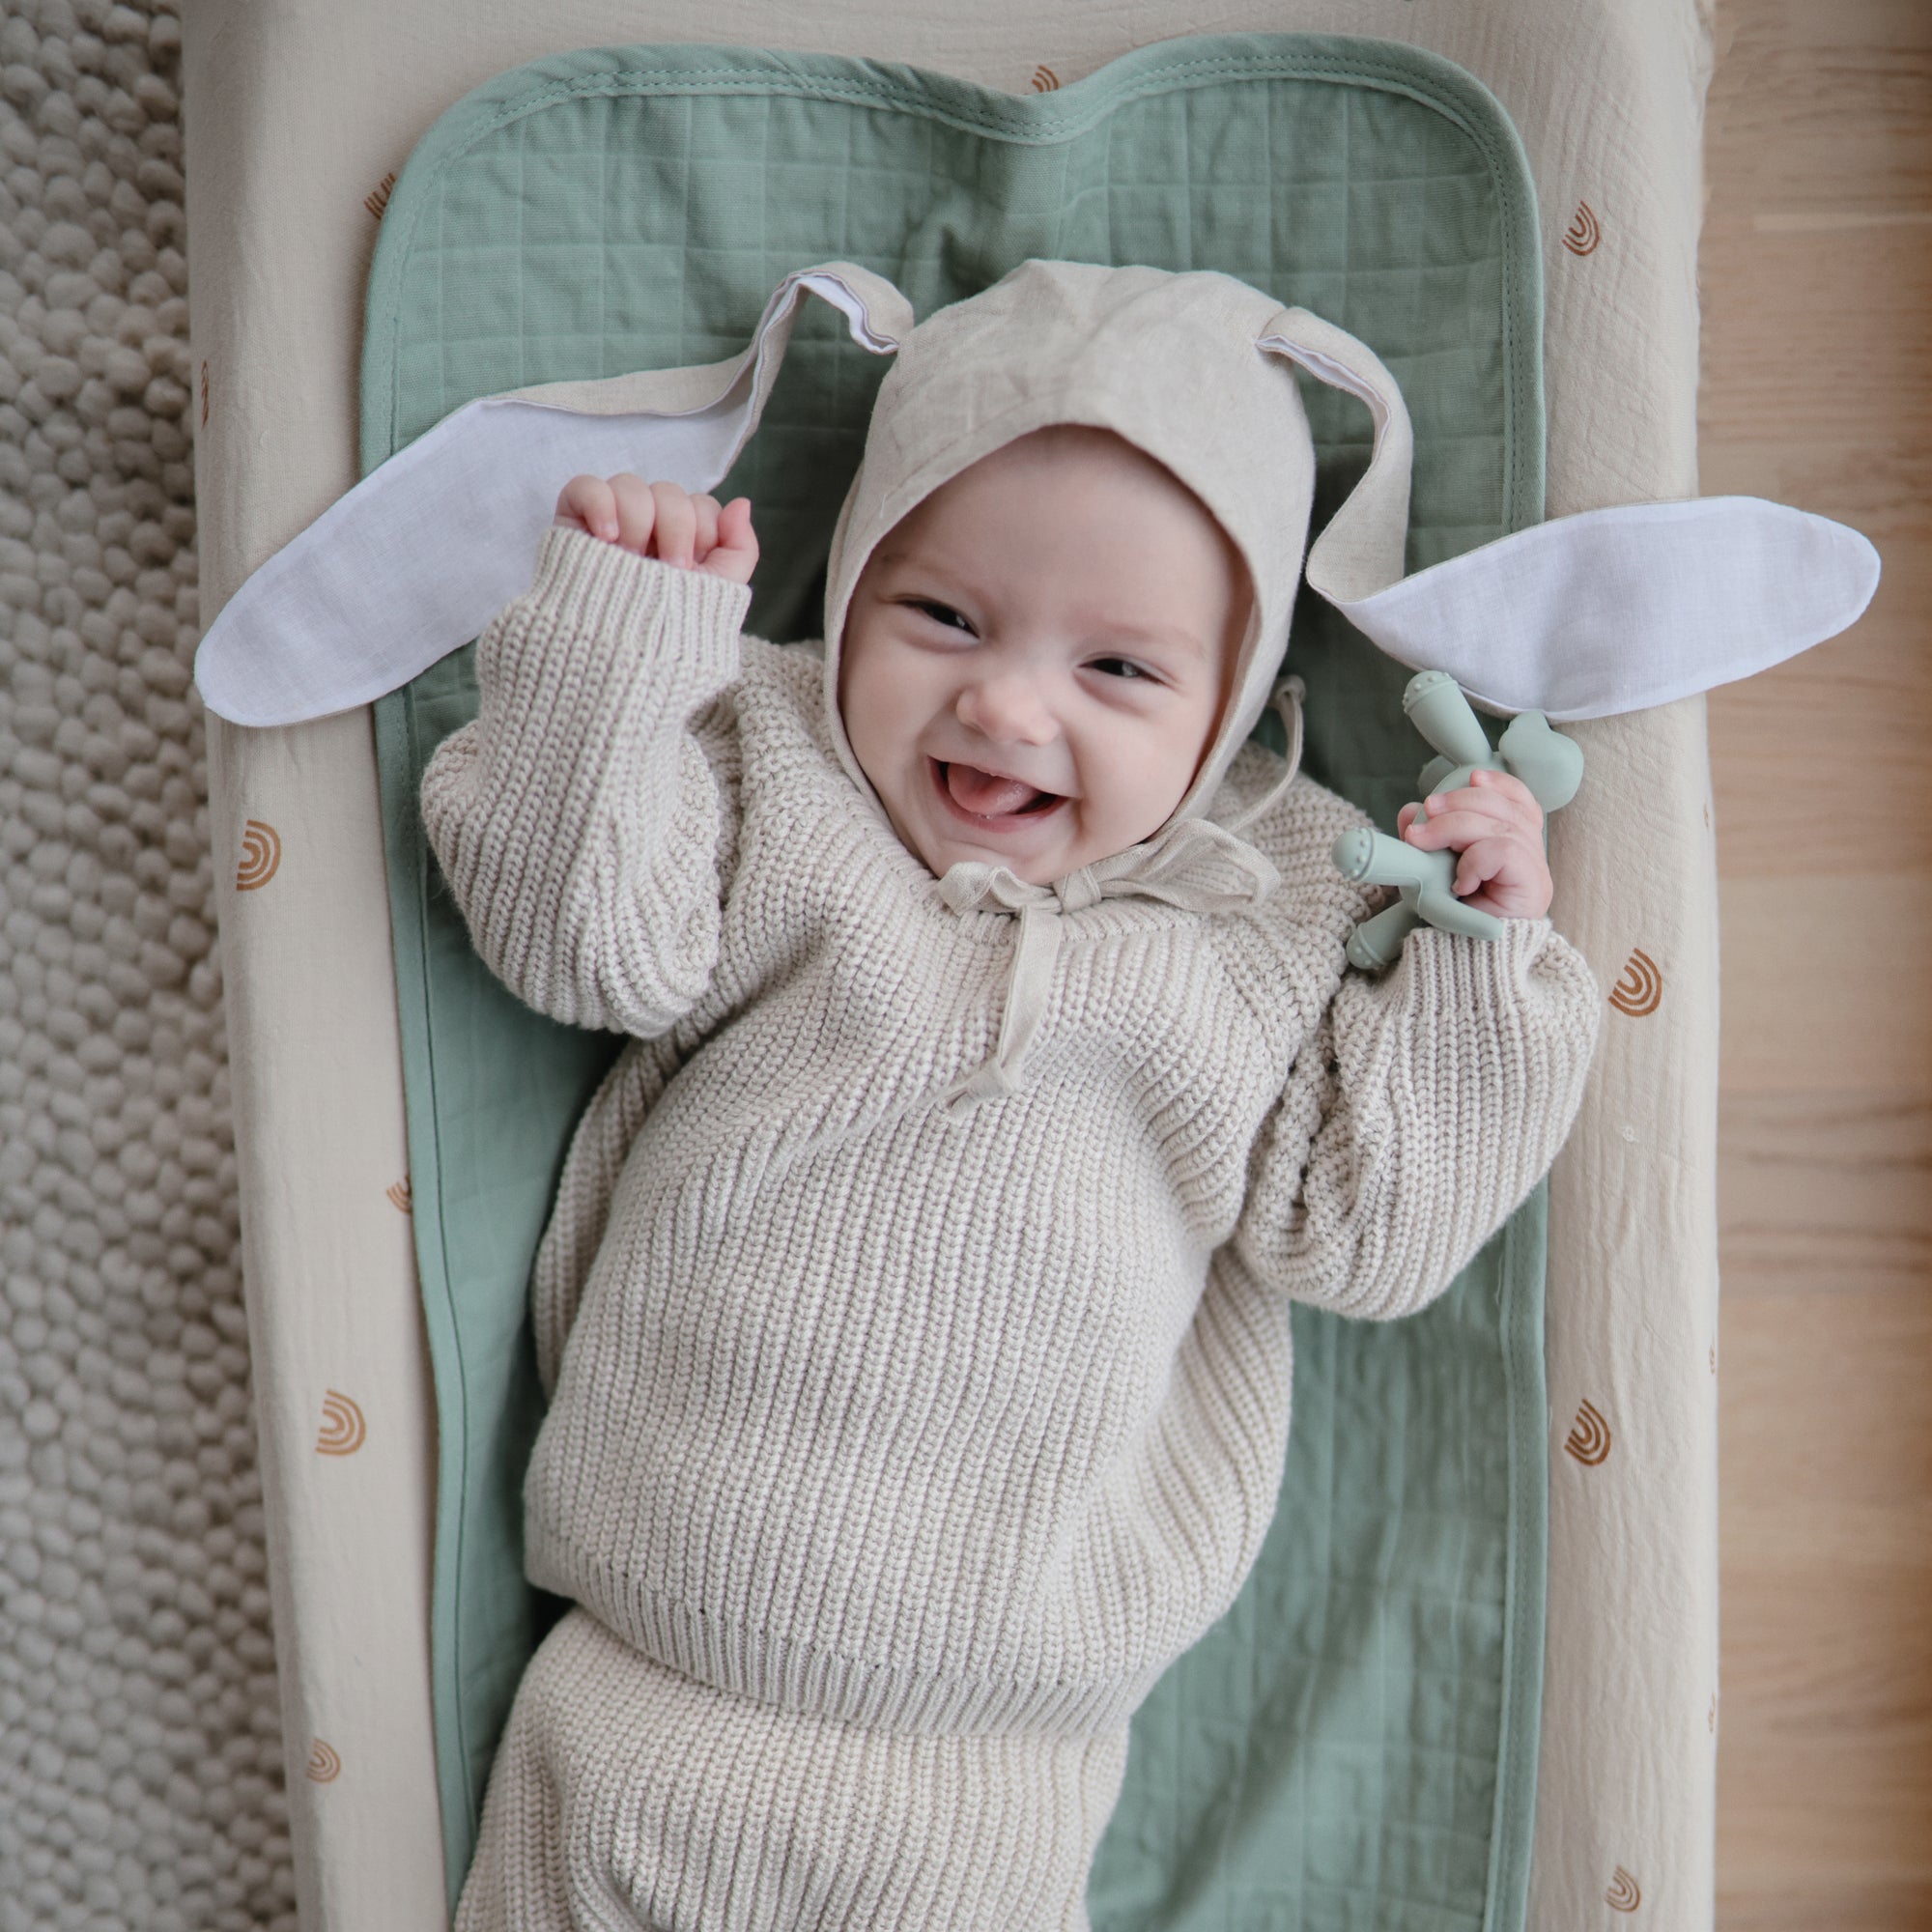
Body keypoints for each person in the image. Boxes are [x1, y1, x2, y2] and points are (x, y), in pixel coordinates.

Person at [423, 260, 1600, 1932]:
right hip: (641, 1685)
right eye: (943, 618)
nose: (1005, 702)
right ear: (850, 591)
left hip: (988, 1774)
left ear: (1236, 701)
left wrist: (1480, 958)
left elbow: (1373, 1239)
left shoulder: (1272, 906)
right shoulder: (780, 773)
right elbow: (577, 941)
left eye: (1120, 670)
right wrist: (619, 638)